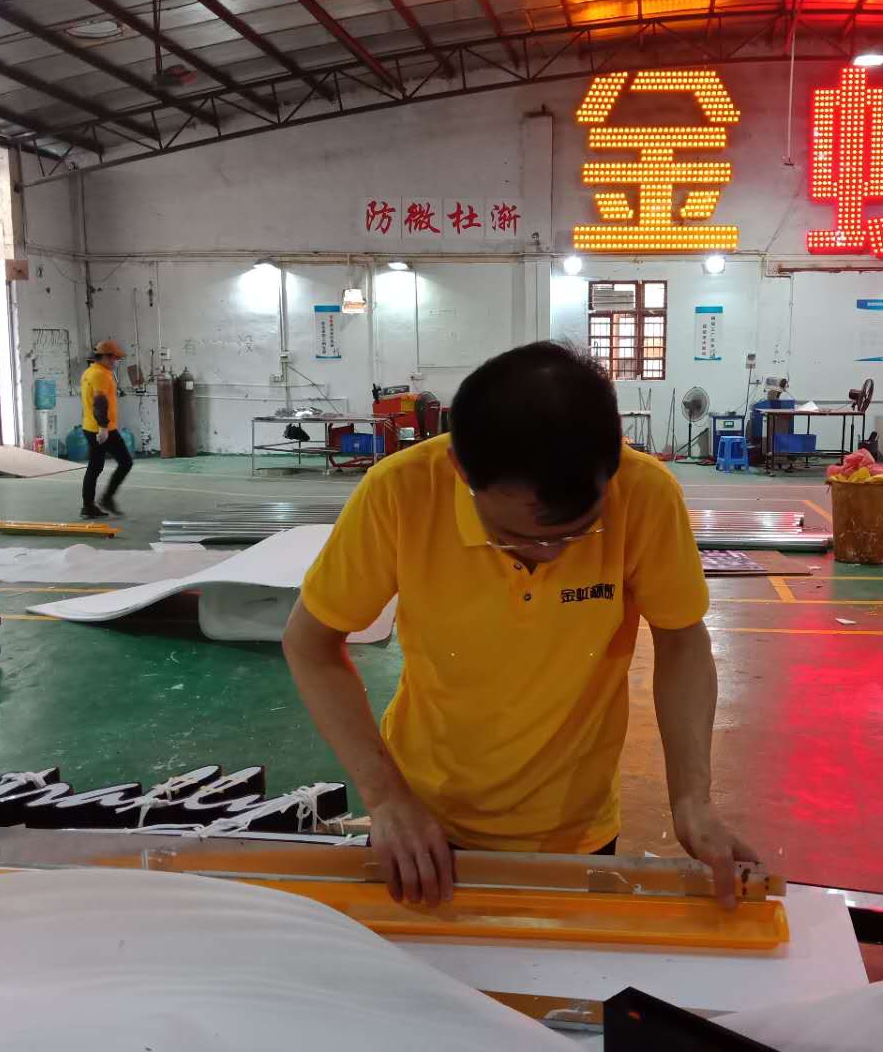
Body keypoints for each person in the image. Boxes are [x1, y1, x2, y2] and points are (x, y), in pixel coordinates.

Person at [283, 342, 757, 909]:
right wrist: (385, 799)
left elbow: (681, 640)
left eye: (576, 533)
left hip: (575, 827)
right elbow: (310, 643)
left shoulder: (645, 494)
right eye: (512, 536)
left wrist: (692, 800)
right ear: (461, 470)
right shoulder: (401, 492)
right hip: (424, 821)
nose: (548, 554)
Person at [79, 339, 132, 518]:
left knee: (95, 467)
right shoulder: (100, 374)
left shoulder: (89, 372)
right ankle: (106, 499)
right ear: (105, 357)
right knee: (125, 462)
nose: (116, 362)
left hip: (91, 426)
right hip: (102, 428)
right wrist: (103, 428)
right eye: (114, 358)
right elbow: (99, 402)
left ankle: (88, 506)